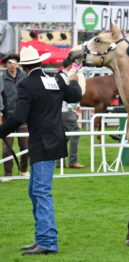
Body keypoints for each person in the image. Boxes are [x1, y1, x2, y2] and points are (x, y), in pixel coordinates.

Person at [0, 46, 82, 255]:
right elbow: (75, 96)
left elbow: (18, 117)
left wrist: (2, 131)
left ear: (24, 67)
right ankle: (42, 239)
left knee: (41, 192)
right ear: (41, 63)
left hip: (41, 143)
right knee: (35, 191)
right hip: (53, 140)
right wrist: (70, 78)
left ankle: (47, 242)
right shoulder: (55, 79)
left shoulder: (26, 84)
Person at [0, 53, 29, 181]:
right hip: (8, 117)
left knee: (25, 146)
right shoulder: (1, 78)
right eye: (9, 63)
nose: (12, 65)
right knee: (7, 148)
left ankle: (24, 170)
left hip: (23, 117)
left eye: (14, 62)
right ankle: (8, 174)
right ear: (6, 64)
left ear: (18, 63)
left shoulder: (24, 77)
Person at [56, 58, 84, 168]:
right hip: (66, 110)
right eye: (76, 67)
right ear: (71, 66)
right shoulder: (67, 77)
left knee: (63, 136)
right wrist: (74, 81)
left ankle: (59, 162)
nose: (77, 69)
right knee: (75, 133)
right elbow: (70, 94)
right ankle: (73, 160)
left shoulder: (58, 76)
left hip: (60, 110)